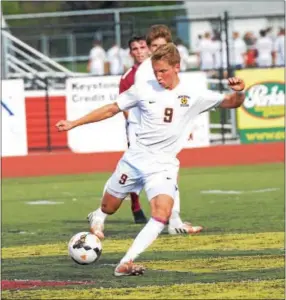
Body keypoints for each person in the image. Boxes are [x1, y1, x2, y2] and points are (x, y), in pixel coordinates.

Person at [56, 43, 246, 276]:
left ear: (177, 67)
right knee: (109, 207)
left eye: (163, 71)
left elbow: (233, 102)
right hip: (135, 159)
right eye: (155, 71)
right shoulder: (143, 89)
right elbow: (111, 109)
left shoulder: (194, 95)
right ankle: (98, 214)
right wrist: (74, 123)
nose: (158, 76)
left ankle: (126, 262)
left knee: (162, 212)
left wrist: (239, 91)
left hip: (163, 164)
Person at [88, 24, 203, 236]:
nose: (157, 49)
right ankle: (101, 214)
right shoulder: (144, 73)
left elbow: (177, 100)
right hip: (142, 131)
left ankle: (173, 220)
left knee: (168, 172)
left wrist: (184, 125)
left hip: (159, 132)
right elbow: (131, 104)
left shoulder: (163, 66)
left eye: (163, 45)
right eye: (154, 45)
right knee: (130, 176)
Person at [97, 35, 150, 224]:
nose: (139, 52)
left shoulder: (158, 70)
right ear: (131, 53)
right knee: (135, 170)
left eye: (142, 47)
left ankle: (166, 212)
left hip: (159, 130)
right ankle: (135, 208)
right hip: (138, 129)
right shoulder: (128, 77)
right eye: (135, 49)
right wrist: (135, 128)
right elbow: (123, 107)